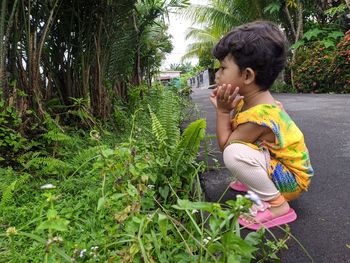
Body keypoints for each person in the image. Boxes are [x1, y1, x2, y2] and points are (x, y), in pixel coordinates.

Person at [209, 21, 314, 230]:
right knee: (241, 150)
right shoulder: (251, 102)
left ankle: (277, 205)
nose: (217, 75)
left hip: (291, 180)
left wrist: (222, 112)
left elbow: (226, 145)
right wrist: (228, 108)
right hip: (282, 166)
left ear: (247, 75)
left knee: (234, 154)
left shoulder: (260, 117)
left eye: (222, 68)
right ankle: (257, 181)